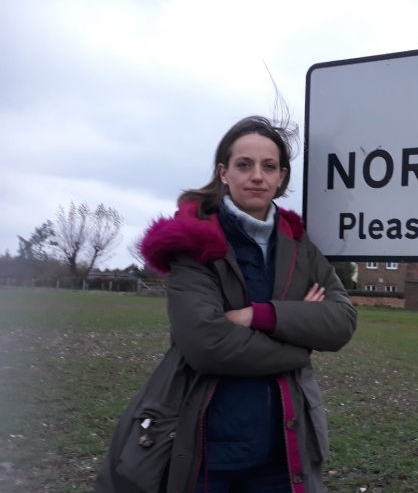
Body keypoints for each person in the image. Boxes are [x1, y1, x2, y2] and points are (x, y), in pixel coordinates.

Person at [95, 115, 357, 493]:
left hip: (283, 453)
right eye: (244, 165)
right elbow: (207, 345)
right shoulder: (195, 241)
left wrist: (258, 315)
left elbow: (341, 322)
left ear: (281, 177)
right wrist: (301, 343)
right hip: (204, 452)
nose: (257, 176)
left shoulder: (302, 248)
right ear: (223, 172)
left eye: (269, 167)